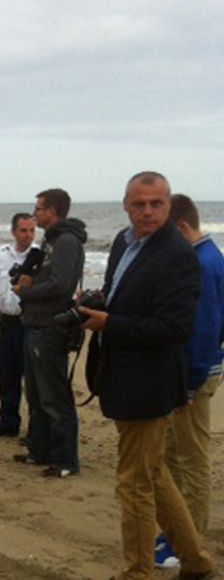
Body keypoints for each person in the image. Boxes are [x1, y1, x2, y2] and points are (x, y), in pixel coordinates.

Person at [78, 172, 215, 580]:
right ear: (126, 205)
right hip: (123, 373)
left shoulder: (177, 254)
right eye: (140, 204)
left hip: (151, 382)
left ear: (169, 207)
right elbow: (121, 295)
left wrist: (110, 324)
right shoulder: (124, 242)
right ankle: (196, 561)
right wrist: (100, 304)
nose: (148, 211)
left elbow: (174, 329)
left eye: (156, 203)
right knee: (153, 473)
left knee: (134, 481)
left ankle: (138, 571)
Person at [154, 194, 224, 566]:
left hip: (195, 374)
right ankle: (177, 532)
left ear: (181, 227)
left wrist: (192, 382)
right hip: (186, 371)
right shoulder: (203, 258)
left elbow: (207, 328)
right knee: (171, 454)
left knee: (192, 459)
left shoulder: (204, 261)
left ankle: (190, 541)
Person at [12, 189, 87, 478]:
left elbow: (60, 285)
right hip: (35, 322)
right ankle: (40, 449)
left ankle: (66, 459)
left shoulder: (66, 242)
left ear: (53, 211)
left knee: (54, 395)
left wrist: (28, 292)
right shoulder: (49, 240)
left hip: (50, 326)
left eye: (39, 209)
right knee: (35, 392)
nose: (35, 213)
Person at [0, 212, 37, 437]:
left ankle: (36, 429)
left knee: (31, 379)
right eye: (23, 230)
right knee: (8, 374)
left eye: (32, 230)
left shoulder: (38, 257)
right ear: (14, 232)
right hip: (7, 322)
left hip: (27, 322)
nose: (28, 235)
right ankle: (8, 421)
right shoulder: (4, 256)